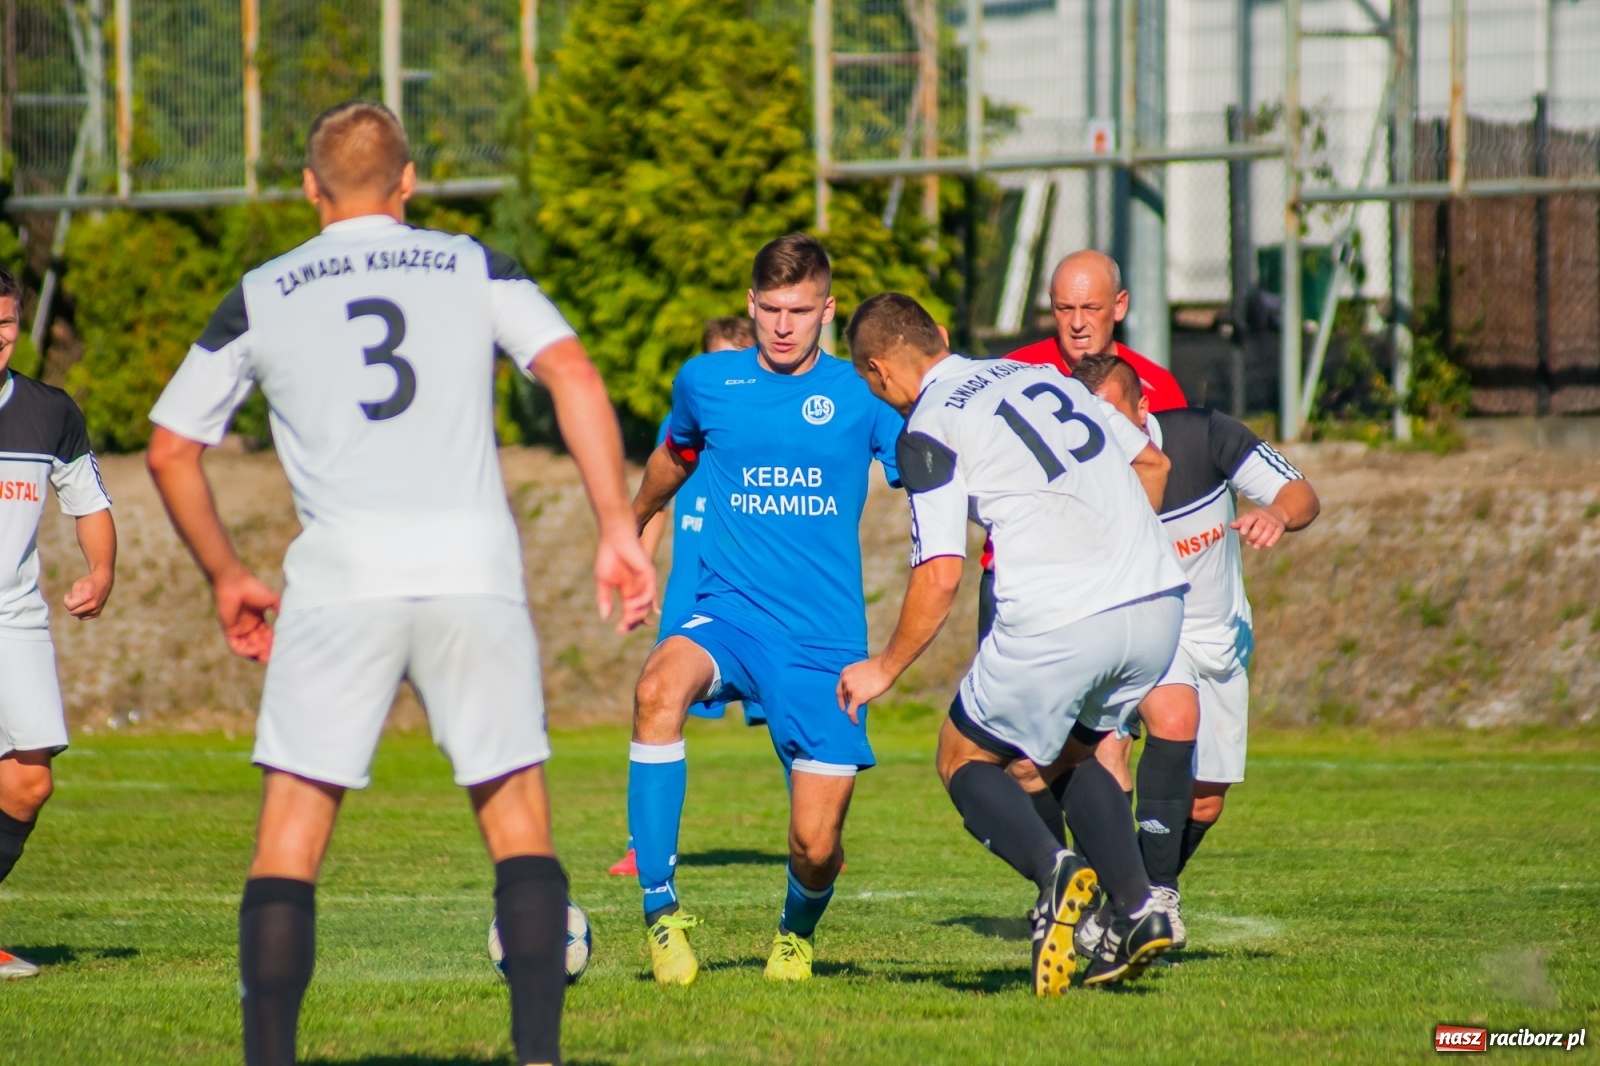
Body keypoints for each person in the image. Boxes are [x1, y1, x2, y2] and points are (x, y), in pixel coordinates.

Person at [146, 101, 653, 1066]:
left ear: (310, 187)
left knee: (289, 841)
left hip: (339, 579)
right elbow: (574, 374)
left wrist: (227, 576)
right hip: (472, 571)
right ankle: (539, 1057)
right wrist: (615, 529)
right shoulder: (471, 264)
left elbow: (171, 450)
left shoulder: (263, 291)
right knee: (518, 824)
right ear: (409, 180)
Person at [837, 292, 1188, 992]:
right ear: (940, 334)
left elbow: (940, 573)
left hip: (1062, 614)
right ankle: (1139, 909)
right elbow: (1153, 465)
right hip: (1157, 600)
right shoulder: (1040, 375)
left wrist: (884, 668)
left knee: (963, 755)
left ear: (878, 371)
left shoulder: (929, 425)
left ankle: (1056, 872)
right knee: (1067, 754)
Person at [627, 234, 902, 985]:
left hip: (823, 640)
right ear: (751, 305)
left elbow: (925, 471)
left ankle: (794, 934)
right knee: (656, 689)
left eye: (800, 311)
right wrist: (632, 523)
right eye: (771, 309)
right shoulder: (707, 381)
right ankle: (660, 912)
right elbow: (674, 456)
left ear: (828, 310)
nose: (783, 326)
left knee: (816, 846)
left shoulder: (863, 393)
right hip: (729, 615)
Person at [1071, 354, 1320, 951]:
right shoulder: (1081, 475)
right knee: (1168, 721)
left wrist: (1276, 515)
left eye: (1113, 416)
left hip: (1222, 635)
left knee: (1205, 801)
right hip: (1146, 631)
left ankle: (1119, 906)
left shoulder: (1205, 436)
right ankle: (1154, 898)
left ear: (1143, 408)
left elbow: (1302, 495)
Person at [983, 249, 1189, 824]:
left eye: (1090, 308)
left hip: (1115, 593)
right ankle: (1057, 869)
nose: (1076, 323)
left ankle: (1110, 873)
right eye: (1063, 308)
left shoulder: (1155, 386)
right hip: (1021, 585)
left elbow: (1173, 485)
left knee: (1107, 746)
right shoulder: (1013, 374)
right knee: (1023, 755)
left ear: (1119, 306)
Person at [609, 316, 762, 879]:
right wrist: (640, 567)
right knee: (658, 698)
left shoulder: (768, 421)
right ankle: (642, 846)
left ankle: (818, 841)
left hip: (758, 589)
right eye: (715, 360)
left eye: (735, 360)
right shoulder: (685, 420)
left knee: (791, 713)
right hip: (690, 588)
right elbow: (658, 499)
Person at [0, 265, 117, 980]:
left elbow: (89, 502)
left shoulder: (49, 412)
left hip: (15, 622)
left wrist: (100, 571)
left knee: (28, 783)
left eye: (6, 324)